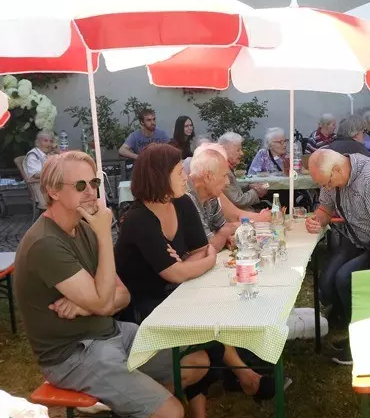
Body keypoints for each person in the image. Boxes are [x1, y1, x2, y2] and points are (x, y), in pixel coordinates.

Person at [14, 151, 208, 418]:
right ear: (53, 191)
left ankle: (129, 404)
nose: (91, 192)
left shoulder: (83, 228)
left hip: (112, 332)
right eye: (80, 185)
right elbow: (105, 301)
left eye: (94, 183)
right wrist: (104, 233)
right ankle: (144, 403)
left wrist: (87, 306)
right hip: (74, 354)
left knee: (198, 363)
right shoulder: (46, 243)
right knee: (172, 412)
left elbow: (123, 295)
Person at [115, 144, 275, 405]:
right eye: (179, 172)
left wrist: (191, 263)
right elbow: (184, 268)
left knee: (215, 317)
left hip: (178, 292)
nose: (186, 177)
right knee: (205, 335)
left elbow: (199, 252)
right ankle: (243, 375)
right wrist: (196, 262)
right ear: (158, 177)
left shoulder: (182, 203)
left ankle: (241, 376)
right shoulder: (138, 219)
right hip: (142, 308)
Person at [305, 149, 370, 365]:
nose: (325, 187)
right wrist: (316, 220)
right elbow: (325, 209)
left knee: (346, 278)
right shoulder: (332, 176)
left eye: (326, 183)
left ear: (336, 169)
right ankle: (348, 321)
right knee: (327, 281)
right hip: (360, 237)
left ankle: (366, 340)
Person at [219, 132, 268, 210]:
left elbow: (233, 189)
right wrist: (255, 192)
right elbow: (237, 201)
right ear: (224, 150)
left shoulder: (226, 167)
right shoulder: (221, 171)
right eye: (238, 150)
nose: (242, 153)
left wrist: (248, 186)